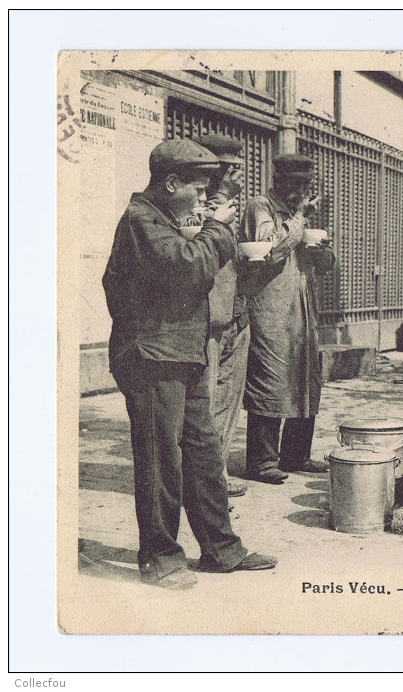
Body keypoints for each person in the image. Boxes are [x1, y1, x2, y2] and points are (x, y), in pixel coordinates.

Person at [102, 139, 277, 589]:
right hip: (152, 357)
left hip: (183, 352)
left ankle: (221, 549)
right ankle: (160, 558)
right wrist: (218, 229)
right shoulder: (141, 220)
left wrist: (204, 225)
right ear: (171, 182)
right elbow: (186, 267)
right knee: (161, 460)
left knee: (203, 453)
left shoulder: (163, 218)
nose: (203, 200)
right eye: (198, 190)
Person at [242, 154, 336, 484]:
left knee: (306, 378)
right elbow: (270, 251)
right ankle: (261, 461)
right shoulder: (260, 207)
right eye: (295, 185)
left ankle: (296, 455)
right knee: (271, 377)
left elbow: (326, 267)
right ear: (279, 181)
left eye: (306, 185)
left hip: (303, 309)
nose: (301, 191)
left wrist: (322, 249)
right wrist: (298, 219)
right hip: (270, 309)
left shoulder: (301, 214)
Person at [191, 135, 250, 499]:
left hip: (231, 311)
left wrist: (240, 303)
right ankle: (203, 482)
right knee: (207, 402)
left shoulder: (226, 206)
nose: (233, 176)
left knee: (228, 400)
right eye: (226, 169)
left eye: (235, 169)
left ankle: (219, 474)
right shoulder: (195, 206)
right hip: (205, 318)